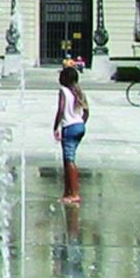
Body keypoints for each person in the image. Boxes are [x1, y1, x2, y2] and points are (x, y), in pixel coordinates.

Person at [52, 65, 89, 203]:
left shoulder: (63, 91)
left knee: (69, 160)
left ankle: (74, 193)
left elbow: (61, 109)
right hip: (79, 126)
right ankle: (67, 191)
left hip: (69, 127)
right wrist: (81, 123)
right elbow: (86, 112)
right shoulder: (78, 92)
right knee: (68, 159)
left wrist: (55, 126)